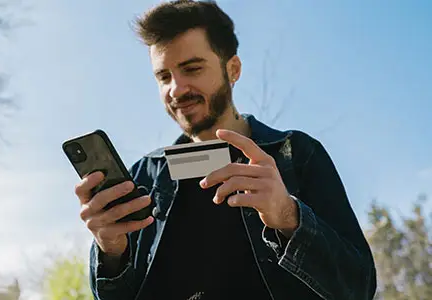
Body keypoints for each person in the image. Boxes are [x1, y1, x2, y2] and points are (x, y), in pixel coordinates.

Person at [74, 1, 377, 299]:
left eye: (191, 69)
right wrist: (110, 253)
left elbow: (359, 287)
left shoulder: (296, 154)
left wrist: (288, 216)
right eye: (163, 76)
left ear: (233, 69)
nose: (176, 89)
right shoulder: (142, 177)